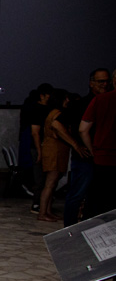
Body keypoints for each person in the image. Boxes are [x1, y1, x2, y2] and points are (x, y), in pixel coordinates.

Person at [63, 68, 111, 226]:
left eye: (107, 81)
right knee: (77, 194)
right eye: (100, 81)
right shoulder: (82, 103)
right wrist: (76, 145)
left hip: (102, 159)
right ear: (91, 83)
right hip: (85, 158)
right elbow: (57, 124)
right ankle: (70, 229)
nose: (104, 84)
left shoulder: (107, 101)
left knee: (96, 197)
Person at [38, 89, 89, 222]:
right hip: (54, 150)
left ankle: (47, 211)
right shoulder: (57, 114)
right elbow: (56, 128)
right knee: (50, 183)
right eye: (65, 98)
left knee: (52, 183)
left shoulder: (53, 112)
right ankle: (42, 212)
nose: (68, 101)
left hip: (56, 150)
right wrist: (75, 143)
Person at [80, 68, 116, 218]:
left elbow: (83, 129)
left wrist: (93, 150)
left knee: (96, 205)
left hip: (102, 158)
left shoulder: (100, 100)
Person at [29, 83, 53, 214]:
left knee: (46, 178)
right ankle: (37, 204)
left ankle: (44, 205)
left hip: (47, 147)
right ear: (42, 95)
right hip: (38, 147)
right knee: (40, 178)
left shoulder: (49, 109)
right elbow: (35, 132)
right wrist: (39, 150)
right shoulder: (36, 109)